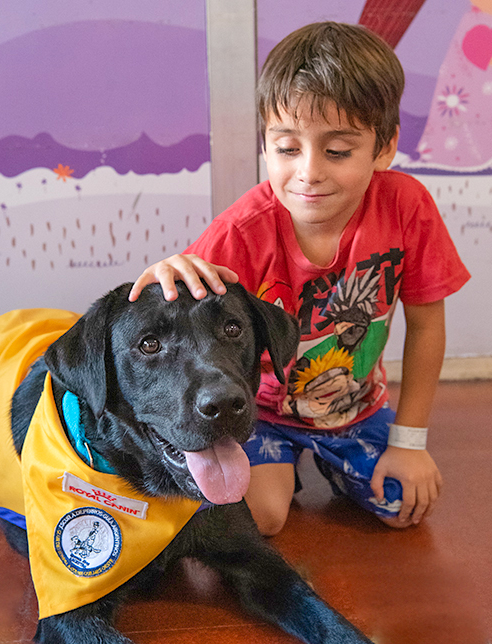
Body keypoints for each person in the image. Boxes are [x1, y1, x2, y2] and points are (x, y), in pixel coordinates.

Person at [128, 21, 470, 535]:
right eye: (288, 148)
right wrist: (161, 277)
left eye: (337, 152)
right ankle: (281, 466)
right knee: (261, 517)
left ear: (383, 147)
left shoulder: (407, 207)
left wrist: (410, 442)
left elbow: (426, 326)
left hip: (354, 408)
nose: (309, 171)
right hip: (260, 413)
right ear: (266, 144)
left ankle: (331, 460)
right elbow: (170, 315)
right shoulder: (241, 231)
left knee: (401, 506)